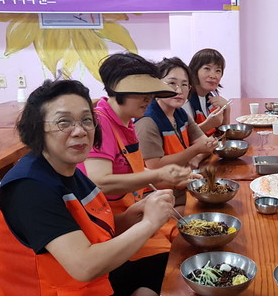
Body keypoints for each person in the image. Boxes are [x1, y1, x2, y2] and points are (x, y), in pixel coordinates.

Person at [0, 79, 177, 296]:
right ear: (37, 129)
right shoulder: (28, 188)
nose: (79, 131)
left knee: (167, 265)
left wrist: (132, 216)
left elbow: (93, 231)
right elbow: (85, 265)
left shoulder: (68, 169)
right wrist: (148, 224)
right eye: (64, 122)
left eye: (86, 121)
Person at [82, 52, 195, 268]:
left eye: (150, 93)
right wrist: (158, 174)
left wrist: (174, 177)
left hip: (133, 215)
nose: (148, 99)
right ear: (116, 89)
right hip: (110, 231)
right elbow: (99, 182)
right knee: (176, 263)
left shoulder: (128, 122)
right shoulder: (100, 123)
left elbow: (133, 170)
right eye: (141, 93)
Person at [136, 58, 220, 212]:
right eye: (172, 83)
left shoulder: (179, 113)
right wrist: (195, 151)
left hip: (182, 186)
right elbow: (156, 165)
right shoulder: (147, 121)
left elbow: (205, 143)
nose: (179, 90)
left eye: (184, 85)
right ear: (156, 85)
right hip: (159, 197)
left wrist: (198, 155)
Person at [184, 48, 230, 135]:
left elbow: (223, 134)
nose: (213, 75)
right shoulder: (185, 100)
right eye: (207, 69)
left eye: (218, 71)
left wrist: (227, 108)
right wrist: (208, 124)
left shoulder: (210, 97)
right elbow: (184, 137)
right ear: (194, 71)